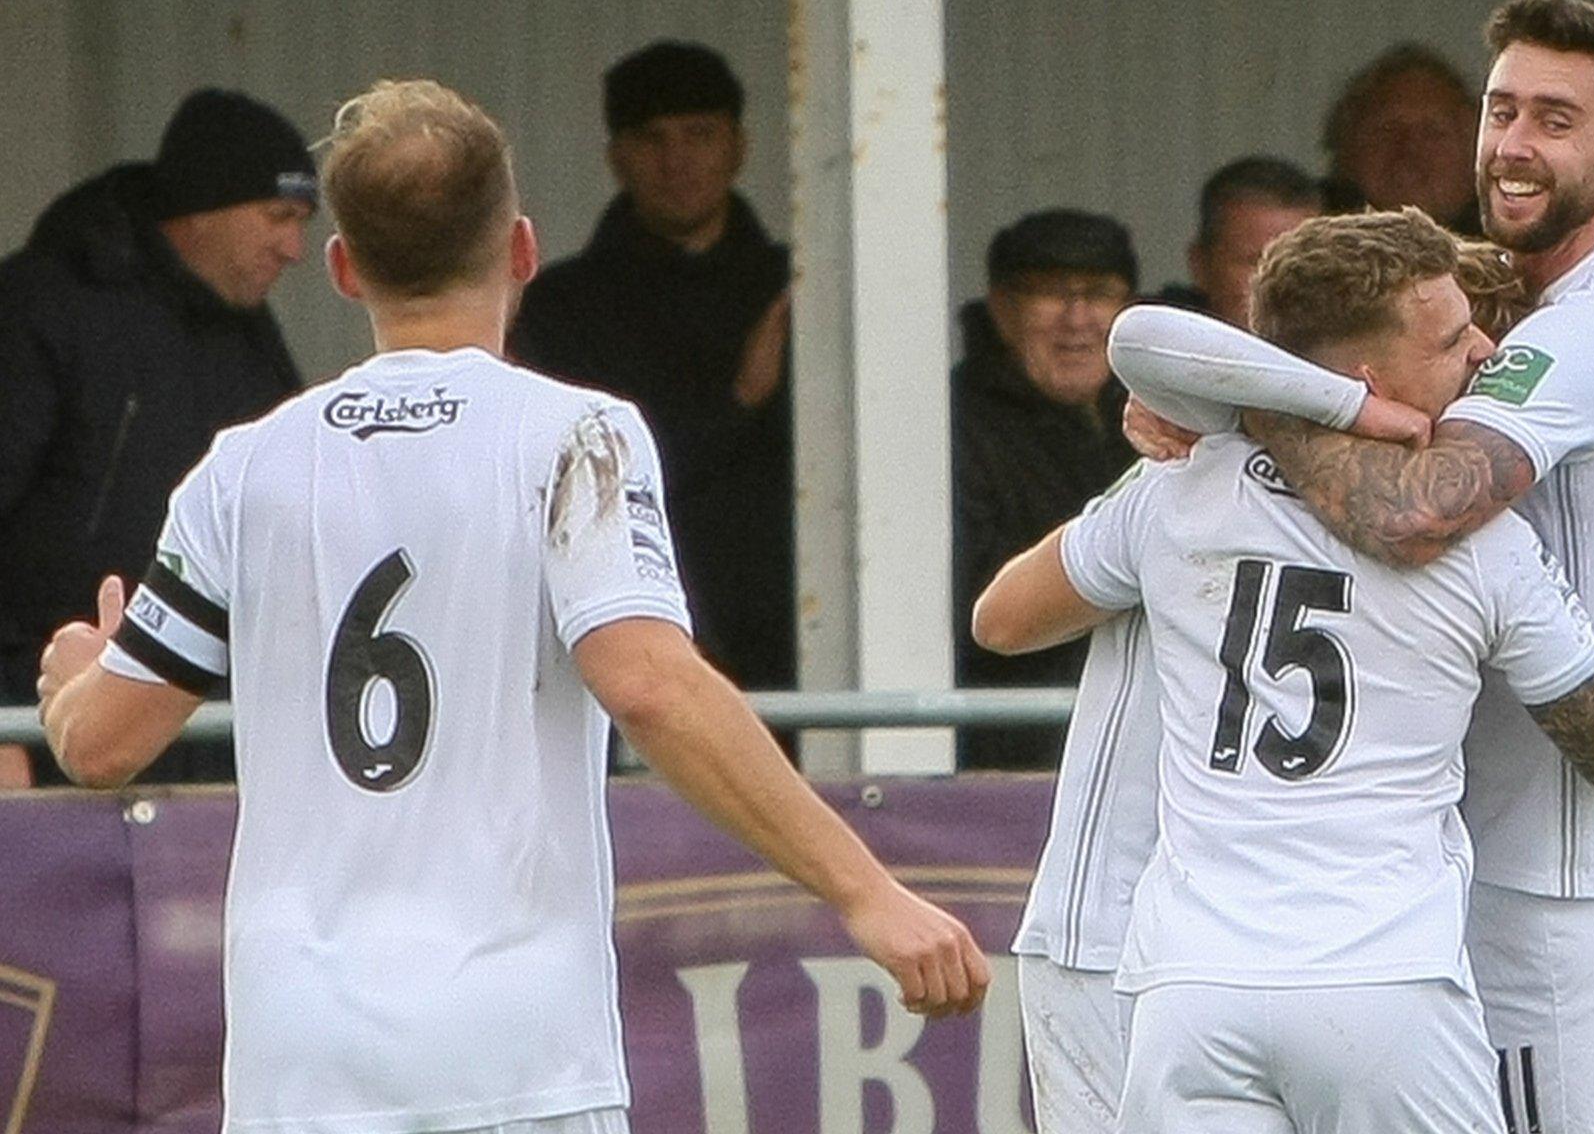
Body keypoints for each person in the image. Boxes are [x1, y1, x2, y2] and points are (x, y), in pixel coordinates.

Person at [34, 79, 988, 1134]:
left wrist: (79, 674)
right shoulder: (575, 435)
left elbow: (103, 746)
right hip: (511, 1050)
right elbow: (650, 686)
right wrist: (865, 892)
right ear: (523, 250)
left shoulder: (244, 465)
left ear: (345, 269)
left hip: (302, 1062)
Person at [1115, 0, 1594, 1131]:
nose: (1514, 144)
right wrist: (1213, 404)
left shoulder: (1581, 333)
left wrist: (1249, 408)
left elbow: (1408, 513)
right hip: (1505, 861)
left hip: (1576, 874)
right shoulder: (1506, 295)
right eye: (1500, 109)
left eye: (1556, 118)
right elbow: (1165, 342)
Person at [977, 209, 1594, 1133]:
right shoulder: (1474, 546)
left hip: (1192, 987)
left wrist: (1247, 411)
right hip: (1380, 982)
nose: (1484, 355)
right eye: (1452, 340)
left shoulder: (1182, 485)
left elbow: (999, 618)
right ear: (1368, 377)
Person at [0, 88, 316, 788]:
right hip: (46, 720)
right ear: (202, 209)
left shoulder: (249, 334)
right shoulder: (43, 309)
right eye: (279, 217)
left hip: (207, 730)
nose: (295, 249)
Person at [511, 40, 797, 694]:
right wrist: (740, 404)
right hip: (623, 638)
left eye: (699, 135)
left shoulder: (799, 288)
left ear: (738, 146)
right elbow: (575, 483)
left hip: (798, 637)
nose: (677, 160)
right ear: (617, 156)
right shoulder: (560, 308)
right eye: (651, 139)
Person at [952, 209, 1138, 770]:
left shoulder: (1165, 422)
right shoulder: (953, 426)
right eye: (1051, 294)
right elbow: (973, 604)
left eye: (1099, 294)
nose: (1077, 318)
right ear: (1004, 310)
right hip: (1010, 755)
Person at [1320, 43, 1483, 233]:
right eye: (1387, 130)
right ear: (1347, 148)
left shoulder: (1511, 244)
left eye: (1431, 133)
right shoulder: (1305, 231)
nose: (1408, 148)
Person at [1155, 156, 1320, 329]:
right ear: (1200, 266)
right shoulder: (1157, 346)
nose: (1283, 287)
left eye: (1302, 266)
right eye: (1258, 263)